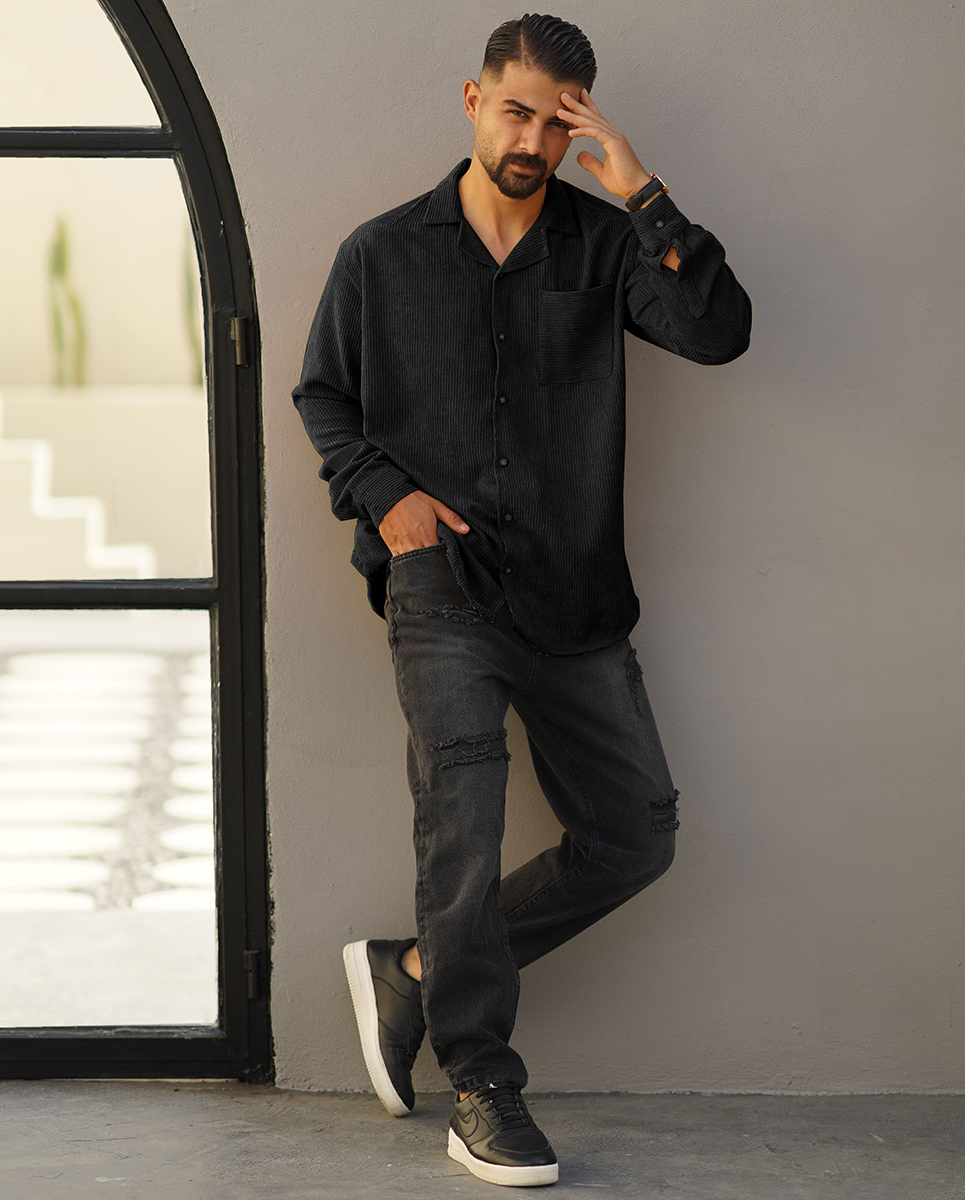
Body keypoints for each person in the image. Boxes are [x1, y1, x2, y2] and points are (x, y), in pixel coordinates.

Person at [293, 13, 751, 1187]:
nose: (534, 140)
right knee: (466, 820)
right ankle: (482, 1085)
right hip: (441, 587)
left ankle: (411, 972)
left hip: (574, 590)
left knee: (633, 836)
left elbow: (719, 333)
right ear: (473, 100)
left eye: (558, 122)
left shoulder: (605, 244)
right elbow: (323, 395)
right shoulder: (383, 253)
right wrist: (384, 495)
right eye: (517, 112)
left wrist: (642, 192)